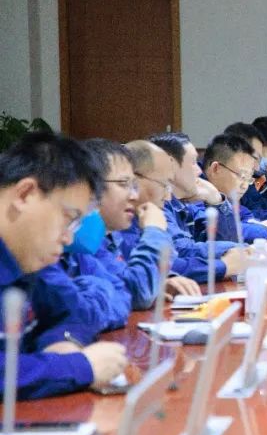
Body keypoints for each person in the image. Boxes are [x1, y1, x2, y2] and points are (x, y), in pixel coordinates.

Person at [0, 132, 128, 400]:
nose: (69, 238)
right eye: (69, 218)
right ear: (25, 194)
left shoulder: (30, 259)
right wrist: (78, 367)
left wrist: (63, 342)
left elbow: (74, 315)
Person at [50, 140, 175, 335]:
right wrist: (155, 232)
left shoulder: (88, 243)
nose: (134, 196)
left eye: (134, 185)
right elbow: (137, 292)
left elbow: (123, 294)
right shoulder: (77, 241)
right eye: (123, 184)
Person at [149, 133, 249, 283]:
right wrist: (239, 251)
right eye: (193, 162)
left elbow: (222, 239)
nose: (199, 171)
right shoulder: (157, 206)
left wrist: (216, 200)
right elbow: (181, 251)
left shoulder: (187, 203)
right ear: (170, 165)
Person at [114, 141, 202, 301]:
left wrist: (164, 281)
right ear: (135, 178)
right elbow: (137, 289)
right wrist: (154, 231)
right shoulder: (111, 227)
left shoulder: (139, 219)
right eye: (164, 185)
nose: (168, 197)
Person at [191, 134, 267, 244]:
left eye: (249, 178)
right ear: (216, 169)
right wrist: (262, 230)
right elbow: (213, 232)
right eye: (242, 176)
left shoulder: (227, 196)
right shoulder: (193, 191)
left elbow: (247, 216)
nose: (245, 185)